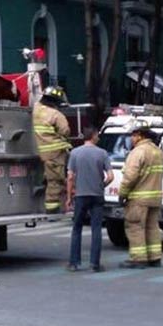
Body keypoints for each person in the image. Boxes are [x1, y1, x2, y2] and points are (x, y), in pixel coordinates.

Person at [65, 127, 114, 273]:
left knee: (77, 228)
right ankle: (94, 264)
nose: (98, 137)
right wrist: (102, 185)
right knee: (96, 229)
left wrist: (69, 196)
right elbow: (110, 176)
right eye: (97, 135)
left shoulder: (75, 153)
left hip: (80, 195)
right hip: (97, 195)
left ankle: (74, 263)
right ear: (93, 136)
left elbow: (70, 177)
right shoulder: (102, 153)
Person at [118, 125, 163, 269]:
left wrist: (122, 194)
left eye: (133, 136)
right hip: (155, 198)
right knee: (152, 227)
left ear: (140, 136)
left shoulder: (138, 152)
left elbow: (130, 176)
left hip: (138, 199)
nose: (131, 139)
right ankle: (155, 258)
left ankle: (138, 259)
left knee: (135, 227)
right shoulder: (158, 152)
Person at [33, 85, 72, 213]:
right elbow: (65, 131)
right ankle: (52, 208)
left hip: (39, 151)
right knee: (55, 180)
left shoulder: (35, 109)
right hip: (55, 153)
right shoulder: (56, 114)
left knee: (49, 176)